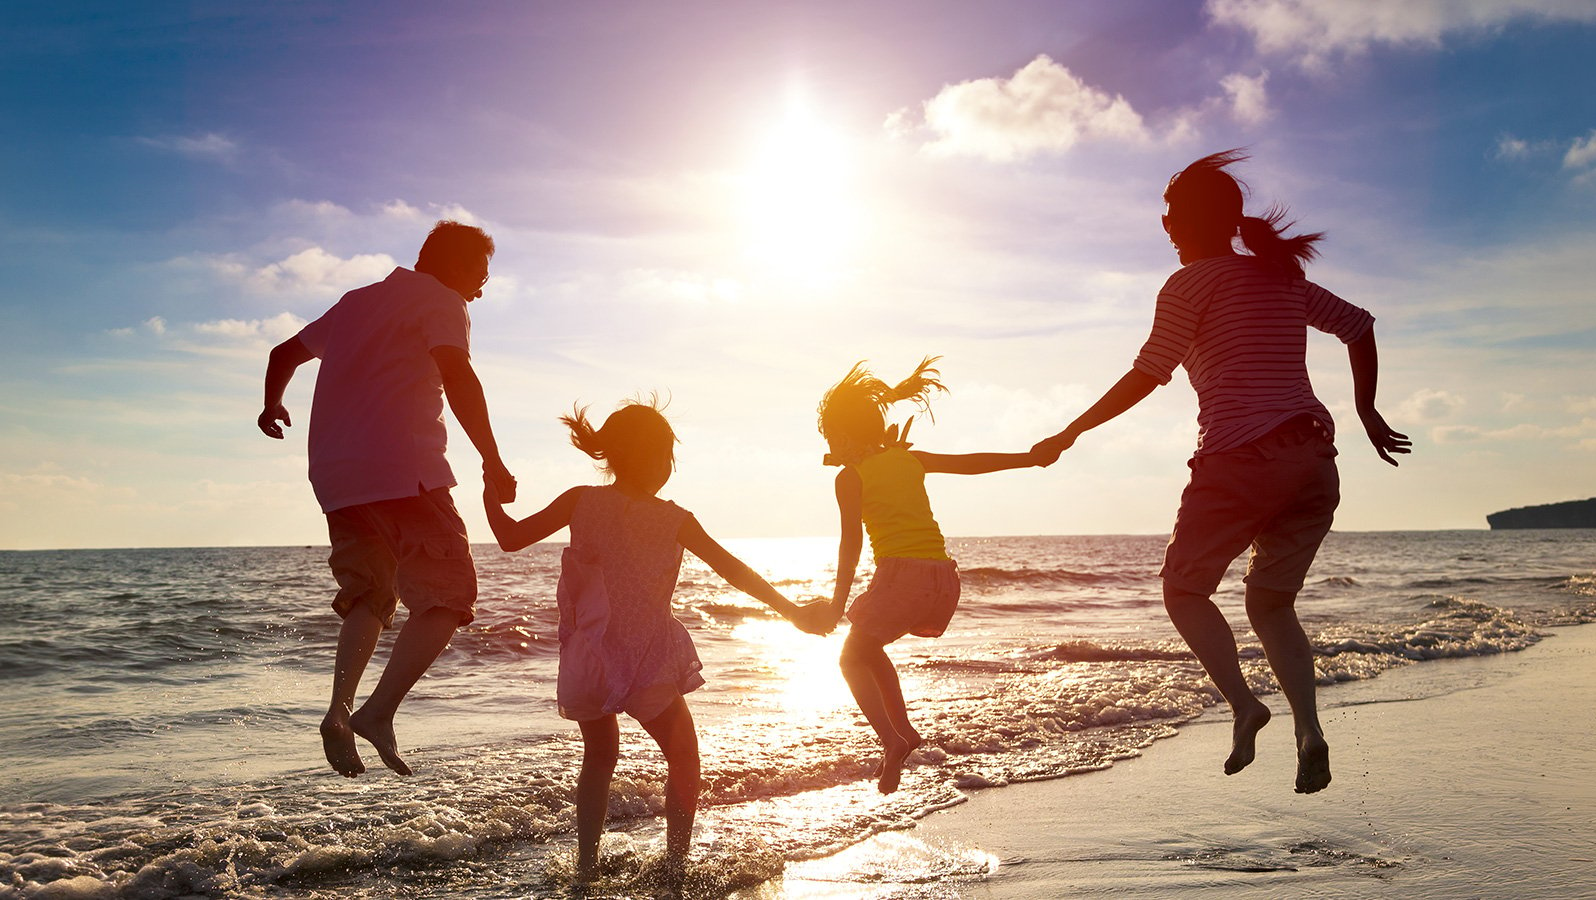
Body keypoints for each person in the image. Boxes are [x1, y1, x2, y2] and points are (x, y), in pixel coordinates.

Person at [1032, 150, 1411, 794]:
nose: (1165, 223)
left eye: (1173, 213)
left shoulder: (1190, 284)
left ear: (1195, 223)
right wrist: (1367, 411)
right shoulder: (1277, 277)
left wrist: (1072, 429)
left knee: (1183, 590)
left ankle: (1244, 705)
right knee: (1270, 602)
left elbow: (1148, 373)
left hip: (1242, 457)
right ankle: (1308, 730)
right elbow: (1359, 326)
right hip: (1315, 461)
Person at [482, 399, 833, 886]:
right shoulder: (675, 518)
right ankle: (674, 867)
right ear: (657, 459)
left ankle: (585, 868)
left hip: (588, 658)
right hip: (645, 656)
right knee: (684, 753)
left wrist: (488, 493)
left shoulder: (579, 499)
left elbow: (509, 538)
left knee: (600, 757)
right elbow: (733, 571)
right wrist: (792, 612)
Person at [257, 220, 518, 779]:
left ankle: (338, 709)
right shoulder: (442, 300)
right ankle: (377, 713)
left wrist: (271, 406)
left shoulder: (356, 302)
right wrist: (492, 459)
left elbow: (284, 353)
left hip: (337, 478)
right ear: (451, 263)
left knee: (370, 596)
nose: (481, 286)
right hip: (407, 471)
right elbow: (458, 374)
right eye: (480, 273)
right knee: (450, 596)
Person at [818, 357, 1047, 794]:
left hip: (901, 577)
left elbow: (851, 546)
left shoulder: (851, 478)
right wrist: (1029, 458)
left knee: (850, 658)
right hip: (943, 579)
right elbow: (971, 463)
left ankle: (893, 738)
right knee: (868, 648)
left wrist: (834, 604)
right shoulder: (910, 459)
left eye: (831, 436)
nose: (829, 446)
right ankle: (903, 733)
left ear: (846, 436)